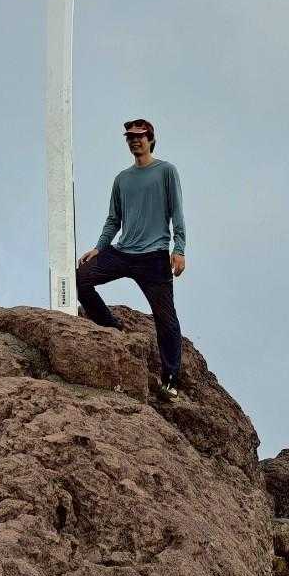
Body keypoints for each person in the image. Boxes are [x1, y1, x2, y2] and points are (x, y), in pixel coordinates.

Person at [76, 118, 186, 399]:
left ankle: (170, 380)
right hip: (123, 252)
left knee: (166, 319)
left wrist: (180, 249)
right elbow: (114, 219)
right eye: (130, 137)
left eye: (140, 136)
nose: (135, 141)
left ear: (151, 139)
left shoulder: (166, 171)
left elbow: (177, 212)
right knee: (80, 278)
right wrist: (99, 248)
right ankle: (112, 327)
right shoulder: (122, 179)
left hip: (154, 257)